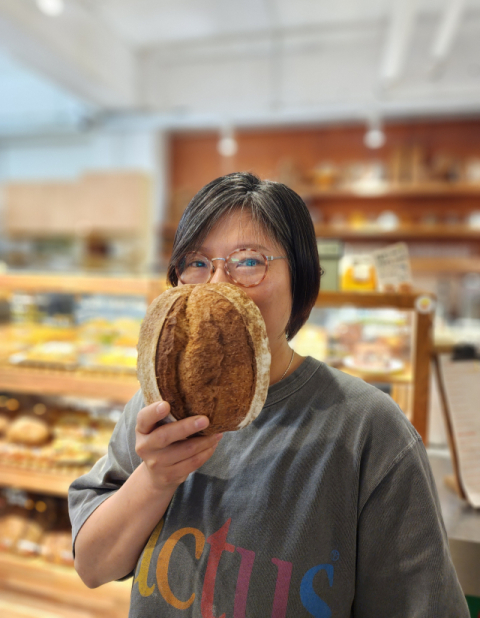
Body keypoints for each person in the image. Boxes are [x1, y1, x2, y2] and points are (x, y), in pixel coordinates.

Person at [69, 172, 469, 617]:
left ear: (301, 277)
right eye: (197, 262)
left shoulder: (368, 429)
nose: (217, 286)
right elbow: (93, 565)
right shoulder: (157, 407)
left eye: (248, 261)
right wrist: (155, 479)